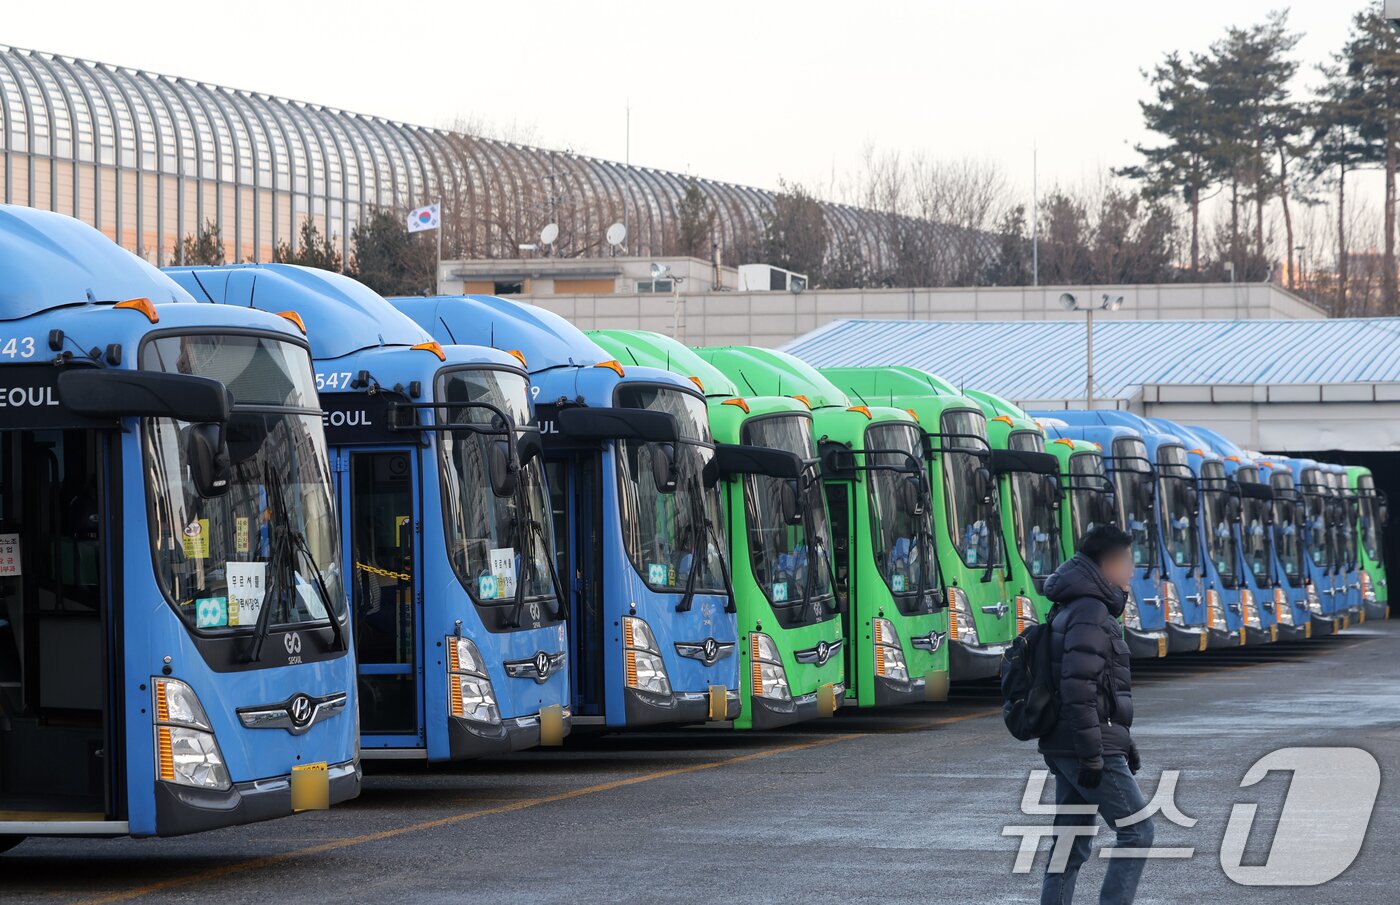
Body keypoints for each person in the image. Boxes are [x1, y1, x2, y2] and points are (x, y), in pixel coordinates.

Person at [1039, 524, 1152, 905]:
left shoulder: (1078, 604)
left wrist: (1124, 741)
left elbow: (1099, 688)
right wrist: (1094, 754)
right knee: (1138, 831)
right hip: (1086, 745)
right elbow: (1078, 688)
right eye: (1127, 562)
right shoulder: (1090, 611)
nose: (1131, 571)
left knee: (1068, 846)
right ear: (1107, 564)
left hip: (1072, 741)